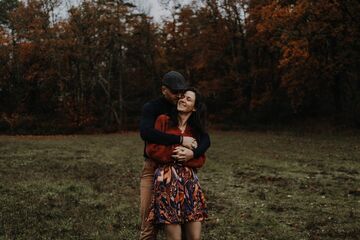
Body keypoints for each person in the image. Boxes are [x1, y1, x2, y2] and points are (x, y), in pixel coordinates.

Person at [139, 71, 210, 240]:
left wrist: (192, 153)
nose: (179, 96)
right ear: (164, 90)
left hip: (185, 176)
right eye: (175, 92)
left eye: (183, 93)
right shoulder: (155, 110)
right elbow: (147, 134)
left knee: (188, 225)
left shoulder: (186, 114)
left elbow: (205, 140)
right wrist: (179, 142)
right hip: (155, 169)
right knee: (149, 225)